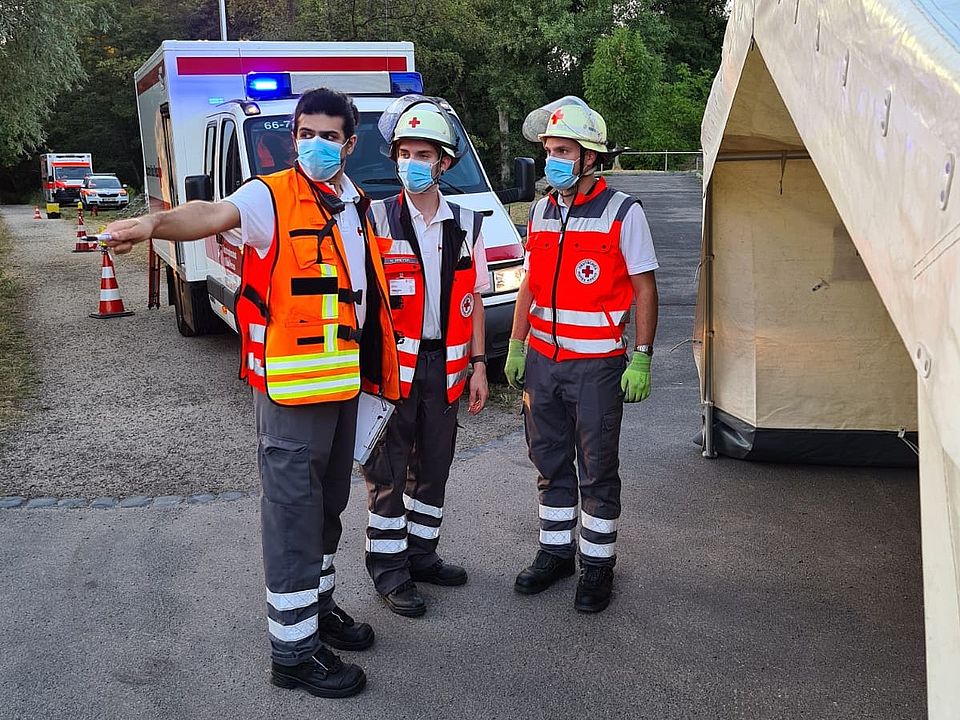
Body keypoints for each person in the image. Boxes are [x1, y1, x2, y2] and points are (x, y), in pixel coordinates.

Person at [102, 88, 400, 698]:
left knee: (327, 508)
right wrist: (155, 223)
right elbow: (212, 214)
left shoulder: (354, 203)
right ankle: (293, 652)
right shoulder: (271, 196)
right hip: (290, 393)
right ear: (295, 138)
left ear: (349, 144)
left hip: (340, 386)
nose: (316, 145)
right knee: (292, 517)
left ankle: (317, 608)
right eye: (306, 134)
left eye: (329, 136)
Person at [505, 96, 659, 613]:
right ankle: (555, 552)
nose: (552, 160)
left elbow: (645, 287)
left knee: (596, 467)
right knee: (548, 460)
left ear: (590, 157)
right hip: (543, 363)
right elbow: (529, 281)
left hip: (596, 365)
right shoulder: (542, 209)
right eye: (549, 151)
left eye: (563, 151)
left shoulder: (623, 211)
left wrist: (643, 355)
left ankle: (596, 565)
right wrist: (516, 343)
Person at [361, 96, 490, 617]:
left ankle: (422, 555)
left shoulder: (468, 223)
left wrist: (479, 365)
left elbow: (474, 299)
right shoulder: (374, 219)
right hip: (392, 371)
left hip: (445, 369)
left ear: (444, 162)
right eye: (404, 153)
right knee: (388, 473)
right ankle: (390, 572)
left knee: (434, 468)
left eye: (423, 154)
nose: (411, 163)